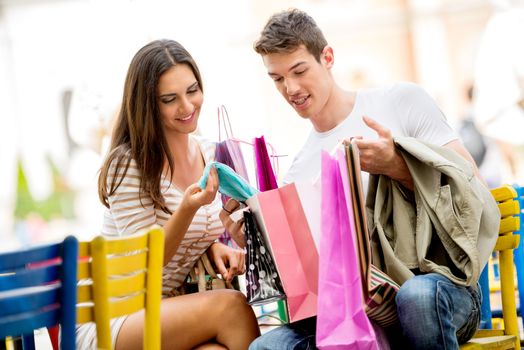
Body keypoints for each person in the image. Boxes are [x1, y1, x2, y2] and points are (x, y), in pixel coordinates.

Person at [247, 9, 496, 350]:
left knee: (416, 297)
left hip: (440, 287)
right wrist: (258, 243)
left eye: (299, 71)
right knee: (267, 345)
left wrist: (398, 165)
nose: (290, 88)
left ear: (328, 57)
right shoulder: (300, 170)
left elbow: (474, 194)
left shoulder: (401, 102)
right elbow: (312, 284)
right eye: (277, 79)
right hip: (362, 314)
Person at [76, 39, 260, 350]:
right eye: (169, 99)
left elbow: (188, 232)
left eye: (192, 91)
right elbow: (145, 261)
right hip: (116, 313)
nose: (187, 107)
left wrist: (209, 246)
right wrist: (187, 210)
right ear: (148, 104)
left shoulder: (206, 151)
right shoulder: (129, 162)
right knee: (232, 307)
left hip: (168, 308)